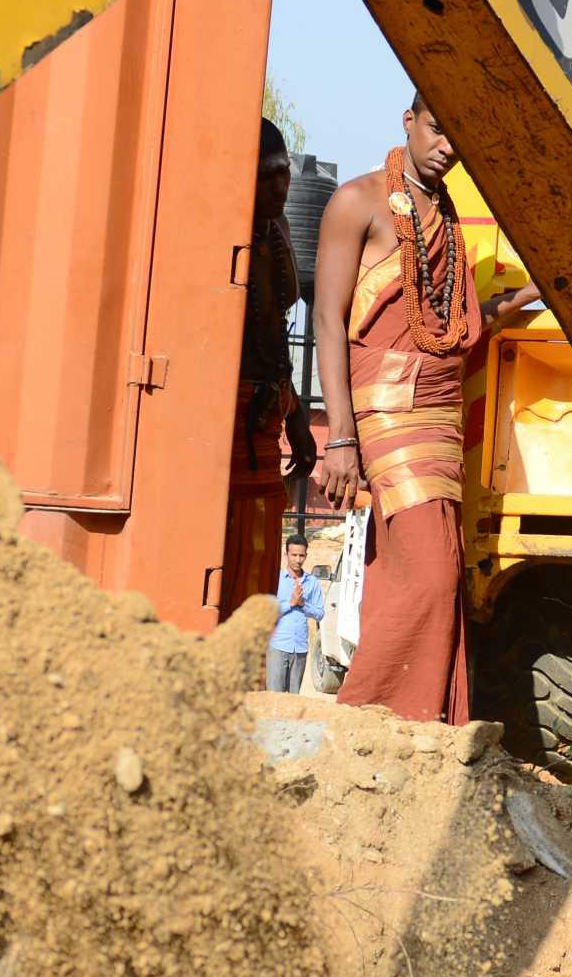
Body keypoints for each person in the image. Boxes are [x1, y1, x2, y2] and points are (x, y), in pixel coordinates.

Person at [310, 101, 535, 722]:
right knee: (432, 576)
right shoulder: (356, 202)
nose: (446, 147)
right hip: (385, 409)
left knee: (421, 571)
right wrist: (339, 439)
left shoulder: (447, 214)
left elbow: (454, 327)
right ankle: (368, 721)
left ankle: (416, 732)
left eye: (457, 137)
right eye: (437, 129)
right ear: (407, 121)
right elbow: (327, 319)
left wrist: (529, 292)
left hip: (440, 413)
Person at [224, 122, 320, 614]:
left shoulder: (275, 229)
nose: (280, 185)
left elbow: (276, 329)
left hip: (265, 421)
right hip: (228, 426)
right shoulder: (224, 232)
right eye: (267, 175)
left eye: (284, 172)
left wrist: (295, 414)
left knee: (257, 557)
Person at [266, 541, 327, 693]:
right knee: (274, 696)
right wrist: (290, 603)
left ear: (306, 556)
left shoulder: (312, 582)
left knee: (294, 698)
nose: (298, 560)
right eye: (294, 555)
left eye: (301, 555)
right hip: (278, 645)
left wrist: (303, 604)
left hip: (300, 648)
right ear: (286, 555)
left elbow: (320, 613)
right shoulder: (276, 579)